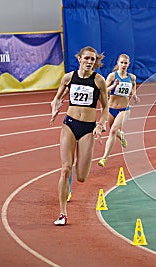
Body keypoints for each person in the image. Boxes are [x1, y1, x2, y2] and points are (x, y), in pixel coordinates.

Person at [50, 46, 108, 226]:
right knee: (65, 168)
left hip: (88, 128)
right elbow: (57, 98)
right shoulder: (69, 77)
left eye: (93, 59)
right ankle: (62, 213)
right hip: (70, 124)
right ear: (79, 59)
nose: (90, 62)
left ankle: (73, 171)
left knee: (82, 177)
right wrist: (55, 108)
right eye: (87, 58)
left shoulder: (99, 81)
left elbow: (105, 107)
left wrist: (100, 124)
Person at [98, 54, 139, 167]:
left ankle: (104, 158)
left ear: (128, 64)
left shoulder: (132, 77)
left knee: (112, 131)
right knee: (114, 130)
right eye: (122, 62)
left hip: (124, 109)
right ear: (118, 63)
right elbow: (104, 90)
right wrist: (114, 85)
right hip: (111, 109)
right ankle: (121, 136)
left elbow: (134, 85)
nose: (123, 65)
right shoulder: (112, 76)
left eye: (126, 63)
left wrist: (134, 94)